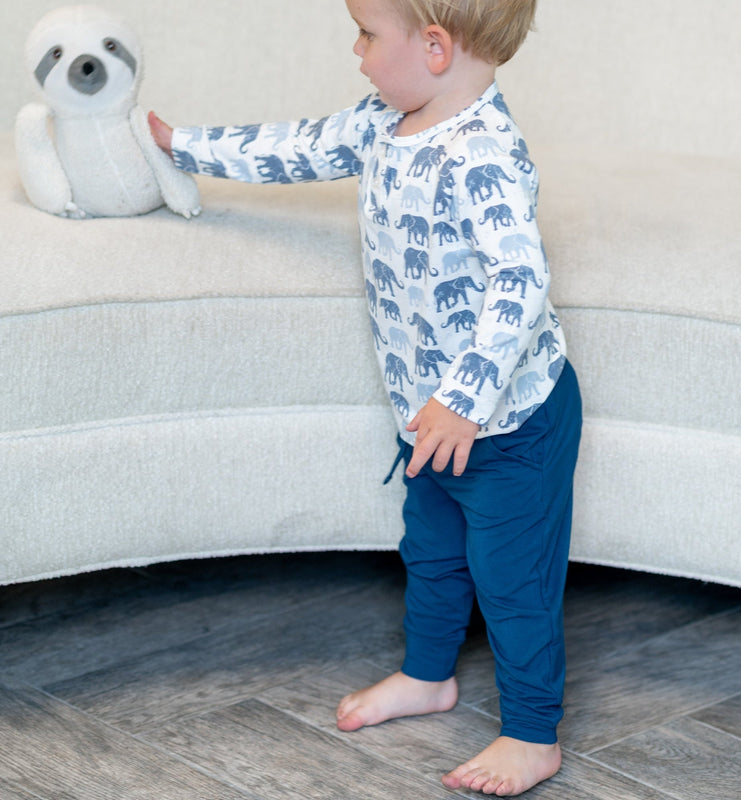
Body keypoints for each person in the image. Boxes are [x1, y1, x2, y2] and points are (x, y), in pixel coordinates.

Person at [149, 0, 582, 794]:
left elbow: (520, 281)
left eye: (367, 34)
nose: (355, 51)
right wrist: (184, 146)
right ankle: (427, 676)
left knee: (512, 580)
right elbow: (298, 146)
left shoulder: (482, 151)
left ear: (435, 48)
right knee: (433, 554)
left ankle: (532, 732)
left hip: (510, 425)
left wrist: (465, 398)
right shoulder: (382, 121)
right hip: (428, 418)